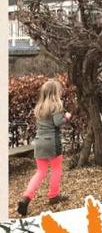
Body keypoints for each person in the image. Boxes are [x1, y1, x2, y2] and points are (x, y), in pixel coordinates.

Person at [16, 78, 72, 216]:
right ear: (55, 92)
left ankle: (26, 198)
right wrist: (67, 116)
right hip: (52, 142)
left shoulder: (39, 107)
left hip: (39, 141)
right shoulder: (57, 106)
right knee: (56, 169)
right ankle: (53, 196)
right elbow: (58, 122)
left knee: (40, 172)